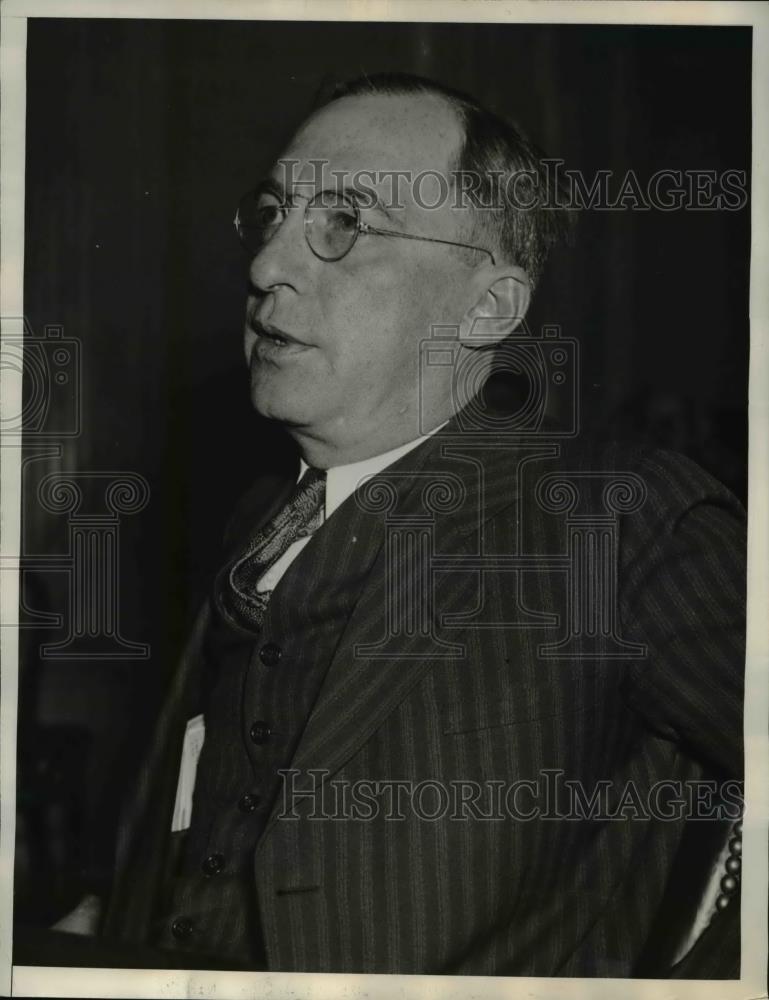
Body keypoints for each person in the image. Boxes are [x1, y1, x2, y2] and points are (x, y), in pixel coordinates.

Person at [68, 74, 746, 977]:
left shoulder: (619, 520)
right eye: (273, 213)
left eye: (344, 222)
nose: (267, 265)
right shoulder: (253, 522)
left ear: (486, 308)